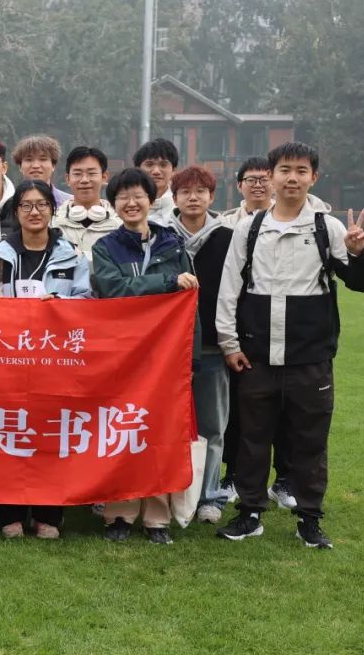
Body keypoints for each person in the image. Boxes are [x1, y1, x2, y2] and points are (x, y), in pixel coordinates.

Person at [215, 142, 364, 549]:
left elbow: (360, 283)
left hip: (311, 358)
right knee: (252, 438)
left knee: (309, 440)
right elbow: (230, 288)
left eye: (301, 171)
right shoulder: (250, 228)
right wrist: (230, 343)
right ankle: (249, 513)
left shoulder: (327, 228)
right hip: (256, 356)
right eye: (284, 169)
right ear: (272, 176)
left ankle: (309, 518)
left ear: (313, 178)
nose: (292, 178)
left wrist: (358, 254)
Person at [0, 179, 92, 539]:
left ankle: (48, 514)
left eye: (42, 205)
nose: (34, 212)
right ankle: (9, 514)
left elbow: (87, 301)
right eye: (26, 205)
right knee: (8, 435)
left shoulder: (72, 256)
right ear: (16, 212)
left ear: (52, 211)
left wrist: (60, 304)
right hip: (7, 364)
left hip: (56, 363)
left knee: (50, 436)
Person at [91, 168, 200, 545]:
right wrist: (166, 282)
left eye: (138, 195)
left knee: (157, 434)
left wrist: (191, 358)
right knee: (121, 432)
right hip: (123, 356)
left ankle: (157, 517)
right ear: (113, 204)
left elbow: (190, 304)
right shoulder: (106, 247)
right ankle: (118, 514)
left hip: (165, 358)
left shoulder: (173, 245)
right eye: (123, 197)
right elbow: (114, 289)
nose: (131, 202)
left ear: (152, 200)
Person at [217, 157, 294, 508]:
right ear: (239, 185)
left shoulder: (295, 220)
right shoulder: (225, 225)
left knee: (287, 411)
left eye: (264, 178)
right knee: (238, 411)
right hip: (240, 330)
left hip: (284, 329)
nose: (259, 185)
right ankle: (234, 475)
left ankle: (285, 479)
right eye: (251, 179)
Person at [167, 165, 235, 524]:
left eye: (200, 191)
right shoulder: (162, 237)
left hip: (211, 347)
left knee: (212, 426)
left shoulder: (229, 238)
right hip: (168, 350)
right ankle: (168, 492)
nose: (193, 198)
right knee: (165, 424)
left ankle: (209, 496)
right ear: (174, 197)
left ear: (212, 196)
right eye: (185, 192)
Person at [51, 146, 121, 264]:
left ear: (104, 177)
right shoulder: (52, 222)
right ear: (67, 179)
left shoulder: (120, 223)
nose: (84, 180)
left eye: (91, 173)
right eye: (77, 174)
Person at [12, 134, 70, 207]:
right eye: (29, 160)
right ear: (20, 166)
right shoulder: (10, 205)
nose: (36, 166)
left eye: (43, 159)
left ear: (53, 165)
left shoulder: (70, 204)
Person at [133, 138, 178, 225]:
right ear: (137, 169)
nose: (156, 171)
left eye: (163, 165)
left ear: (173, 170)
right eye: (149, 165)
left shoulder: (181, 207)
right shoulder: (126, 205)